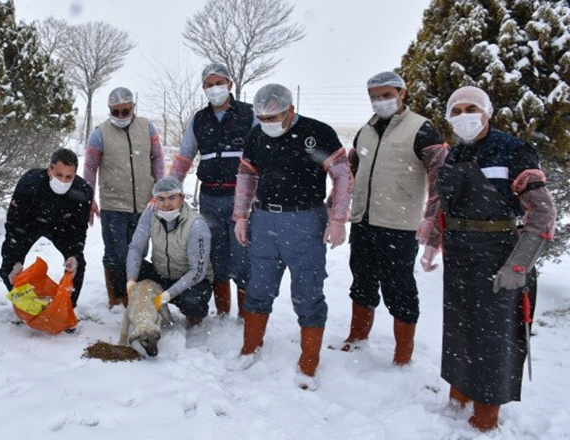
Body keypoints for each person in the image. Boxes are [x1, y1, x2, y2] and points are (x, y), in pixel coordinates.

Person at [420, 86, 556, 431]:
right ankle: (457, 401)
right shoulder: (451, 156)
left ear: (487, 112)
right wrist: (433, 243)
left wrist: (518, 264)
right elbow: (441, 203)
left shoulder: (514, 150)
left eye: (471, 108)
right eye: (456, 110)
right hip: (460, 255)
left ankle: (485, 418)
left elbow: (543, 213)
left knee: (492, 338)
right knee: (459, 330)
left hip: (498, 254)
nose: (463, 115)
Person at [233, 84, 353, 390]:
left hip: (305, 220)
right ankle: (250, 347)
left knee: (308, 292)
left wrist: (338, 219)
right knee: (259, 287)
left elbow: (340, 174)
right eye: (262, 117)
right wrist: (241, 216)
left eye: (274, 116)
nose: (268, 122)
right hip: (264, 220)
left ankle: (308, 361)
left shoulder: (315, 134)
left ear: (290, 110)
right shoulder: (257, 135)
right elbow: (247, 176)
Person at [337, 71, 445, 365]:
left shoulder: (421, 128)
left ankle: (402, 354)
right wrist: (340, 205)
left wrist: (431, 219)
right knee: (362, 282)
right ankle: (357, 337)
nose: (380, 101)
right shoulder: (366, 130)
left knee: (400, 289)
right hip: (363, 221)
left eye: (387, 95)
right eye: (375, 96)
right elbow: (351, 171)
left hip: (399, 225)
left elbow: (439, 178)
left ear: (402, 93)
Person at [168, 63, 256, 318]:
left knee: (243, 258)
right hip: (209, 199)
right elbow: (185, 158)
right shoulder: (199, 119)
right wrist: (171, 189)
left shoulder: (248, 115)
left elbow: (261, 153)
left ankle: (245, 315)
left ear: (230, 84)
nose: (214, 88)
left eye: (219, 83)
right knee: (216, 259)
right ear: (203, 88)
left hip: (241, 199)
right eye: (209, 84)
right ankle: (222, 312)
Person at [83, 87, 165, 308]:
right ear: (109, 110)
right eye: (115, 112)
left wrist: (160, 188)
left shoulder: (147, 127)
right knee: (116, 254)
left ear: (133, 107)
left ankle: (132, 293)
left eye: (125, 111)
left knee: (139, 251)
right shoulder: (100, 133)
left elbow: (157, 158)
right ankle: (115, 295)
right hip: (113, 204)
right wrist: (89, 197)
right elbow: (90, 168)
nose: (120, 116)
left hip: (144, 204)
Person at [0, 149, 93, 307]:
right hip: (30, 224)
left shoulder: (83, 191)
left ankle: (66, 308)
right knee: (8, 265)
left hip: (61, 227)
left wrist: (73, 255)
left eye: (69, 177)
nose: (63, 181)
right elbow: (14, 223)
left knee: (78, 264)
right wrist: (16, 259)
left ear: (75, 175)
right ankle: (27, 305)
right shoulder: (29, 184)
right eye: (59, 175)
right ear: (50, 170)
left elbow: (79, 229)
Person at [126, 177, 213, 333]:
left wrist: (167, 295)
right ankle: (142, 313)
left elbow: (197, 272)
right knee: (120, 268)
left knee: (193, 302)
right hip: (162, 274)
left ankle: (194, 324)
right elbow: (136, 248)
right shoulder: (150, 214)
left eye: (172, 197)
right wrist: (131, 280)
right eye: (161, 199)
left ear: (182, 197)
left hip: (190, 279)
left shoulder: (196, 224)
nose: (166, 204)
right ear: (155, 200)